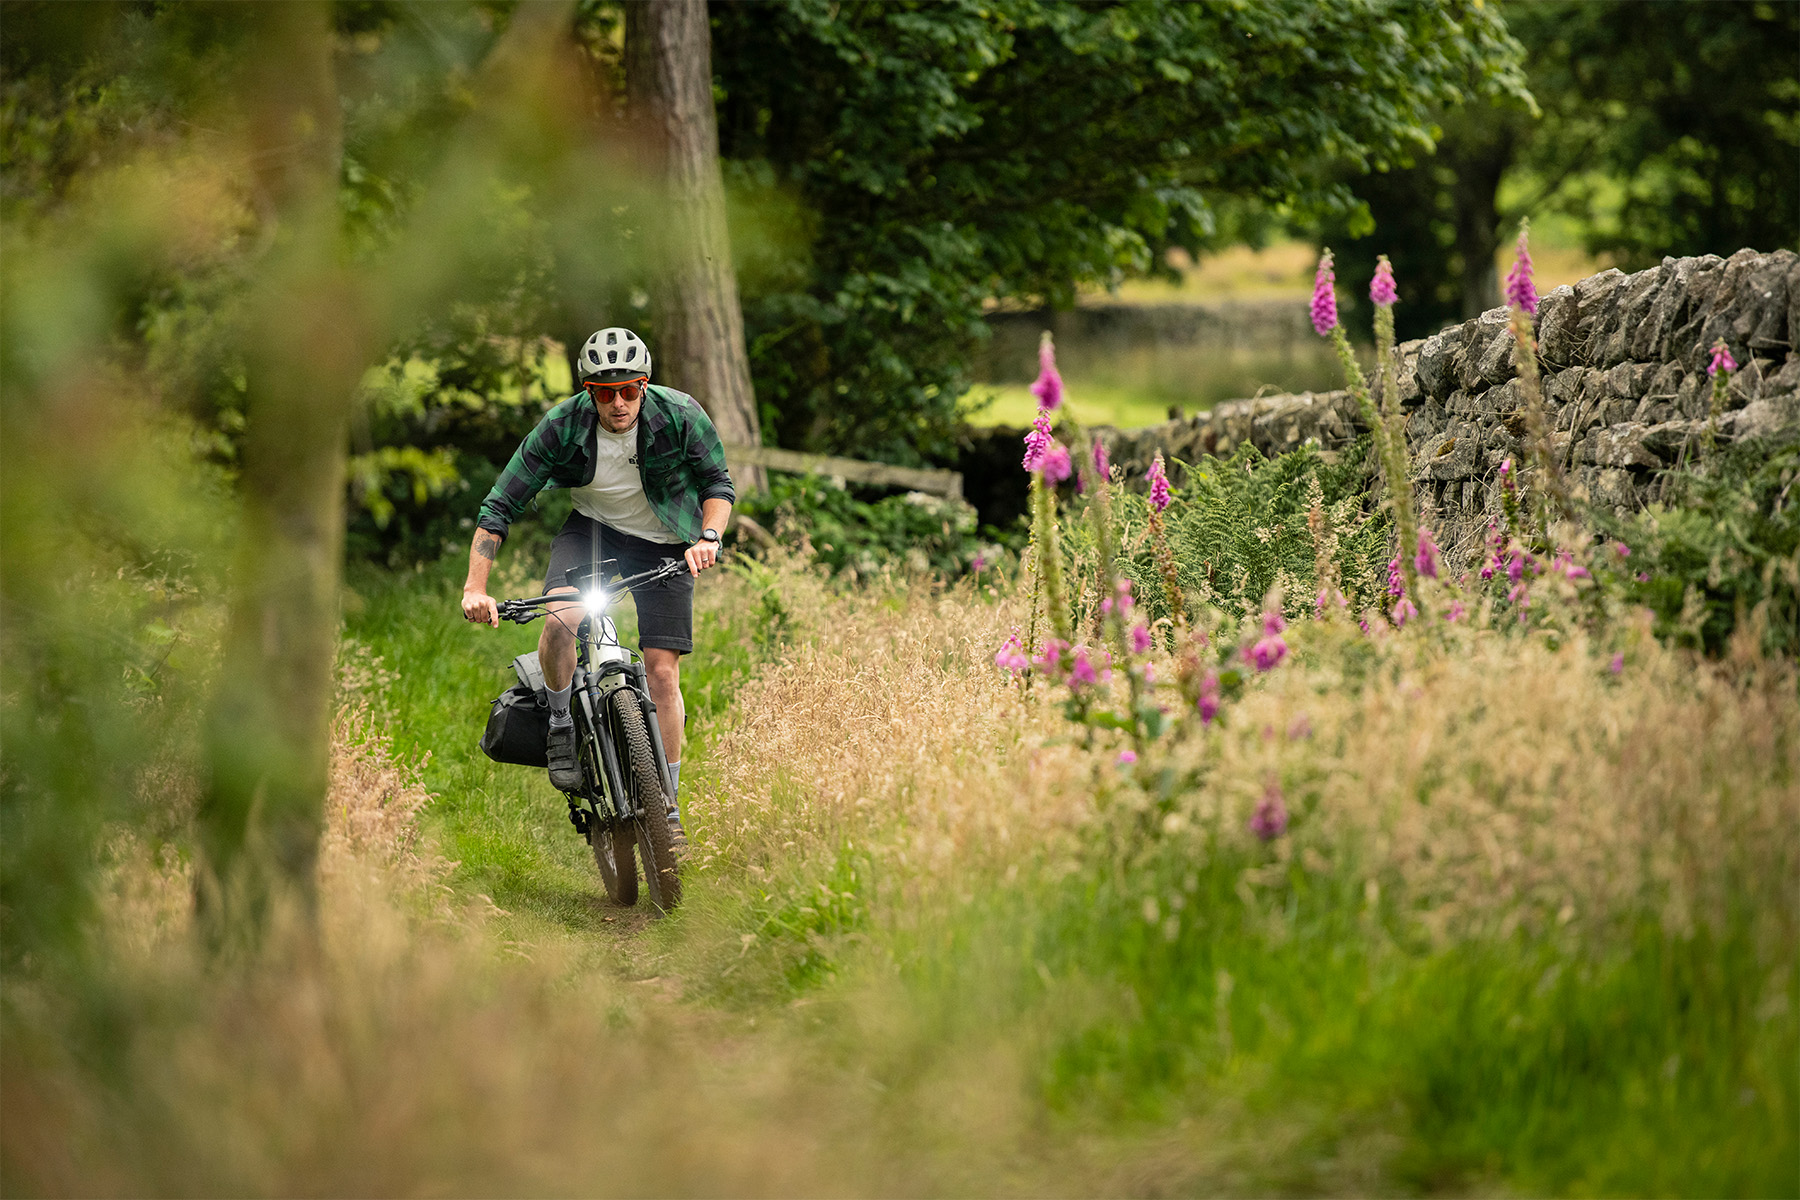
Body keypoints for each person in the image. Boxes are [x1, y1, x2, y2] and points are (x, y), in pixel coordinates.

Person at [459, 327, 734, 839]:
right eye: (606, 392)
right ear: (589, 392)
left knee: (662, 674)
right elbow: (500, 504)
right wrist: (476, 588)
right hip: (593, 533)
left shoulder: (679, 413)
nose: (619, 403)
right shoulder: (562, 425)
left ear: (644, 386)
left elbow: (718, 484)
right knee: (563, 620)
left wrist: (709, 537)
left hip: (670, 539)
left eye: (629, 389)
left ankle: (667, 809)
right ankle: (562, 723)